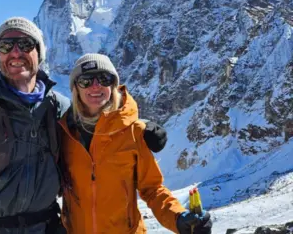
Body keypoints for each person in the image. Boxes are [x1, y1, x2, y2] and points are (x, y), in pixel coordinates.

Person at [0, 17, 169, 234]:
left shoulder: (58, 107)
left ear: (39, 53)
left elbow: (99, 122)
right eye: (6, 45)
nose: (16, 52)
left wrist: (143, 126)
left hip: (49, 227)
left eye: (25, 44)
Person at [59, 53, 213, 234]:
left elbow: (152, 189)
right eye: (86, 80)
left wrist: (178, 218)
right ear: (75, 87)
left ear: (114, 86)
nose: (95, 86)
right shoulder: (64, 133)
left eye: (104, 78)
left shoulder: (133, 133)